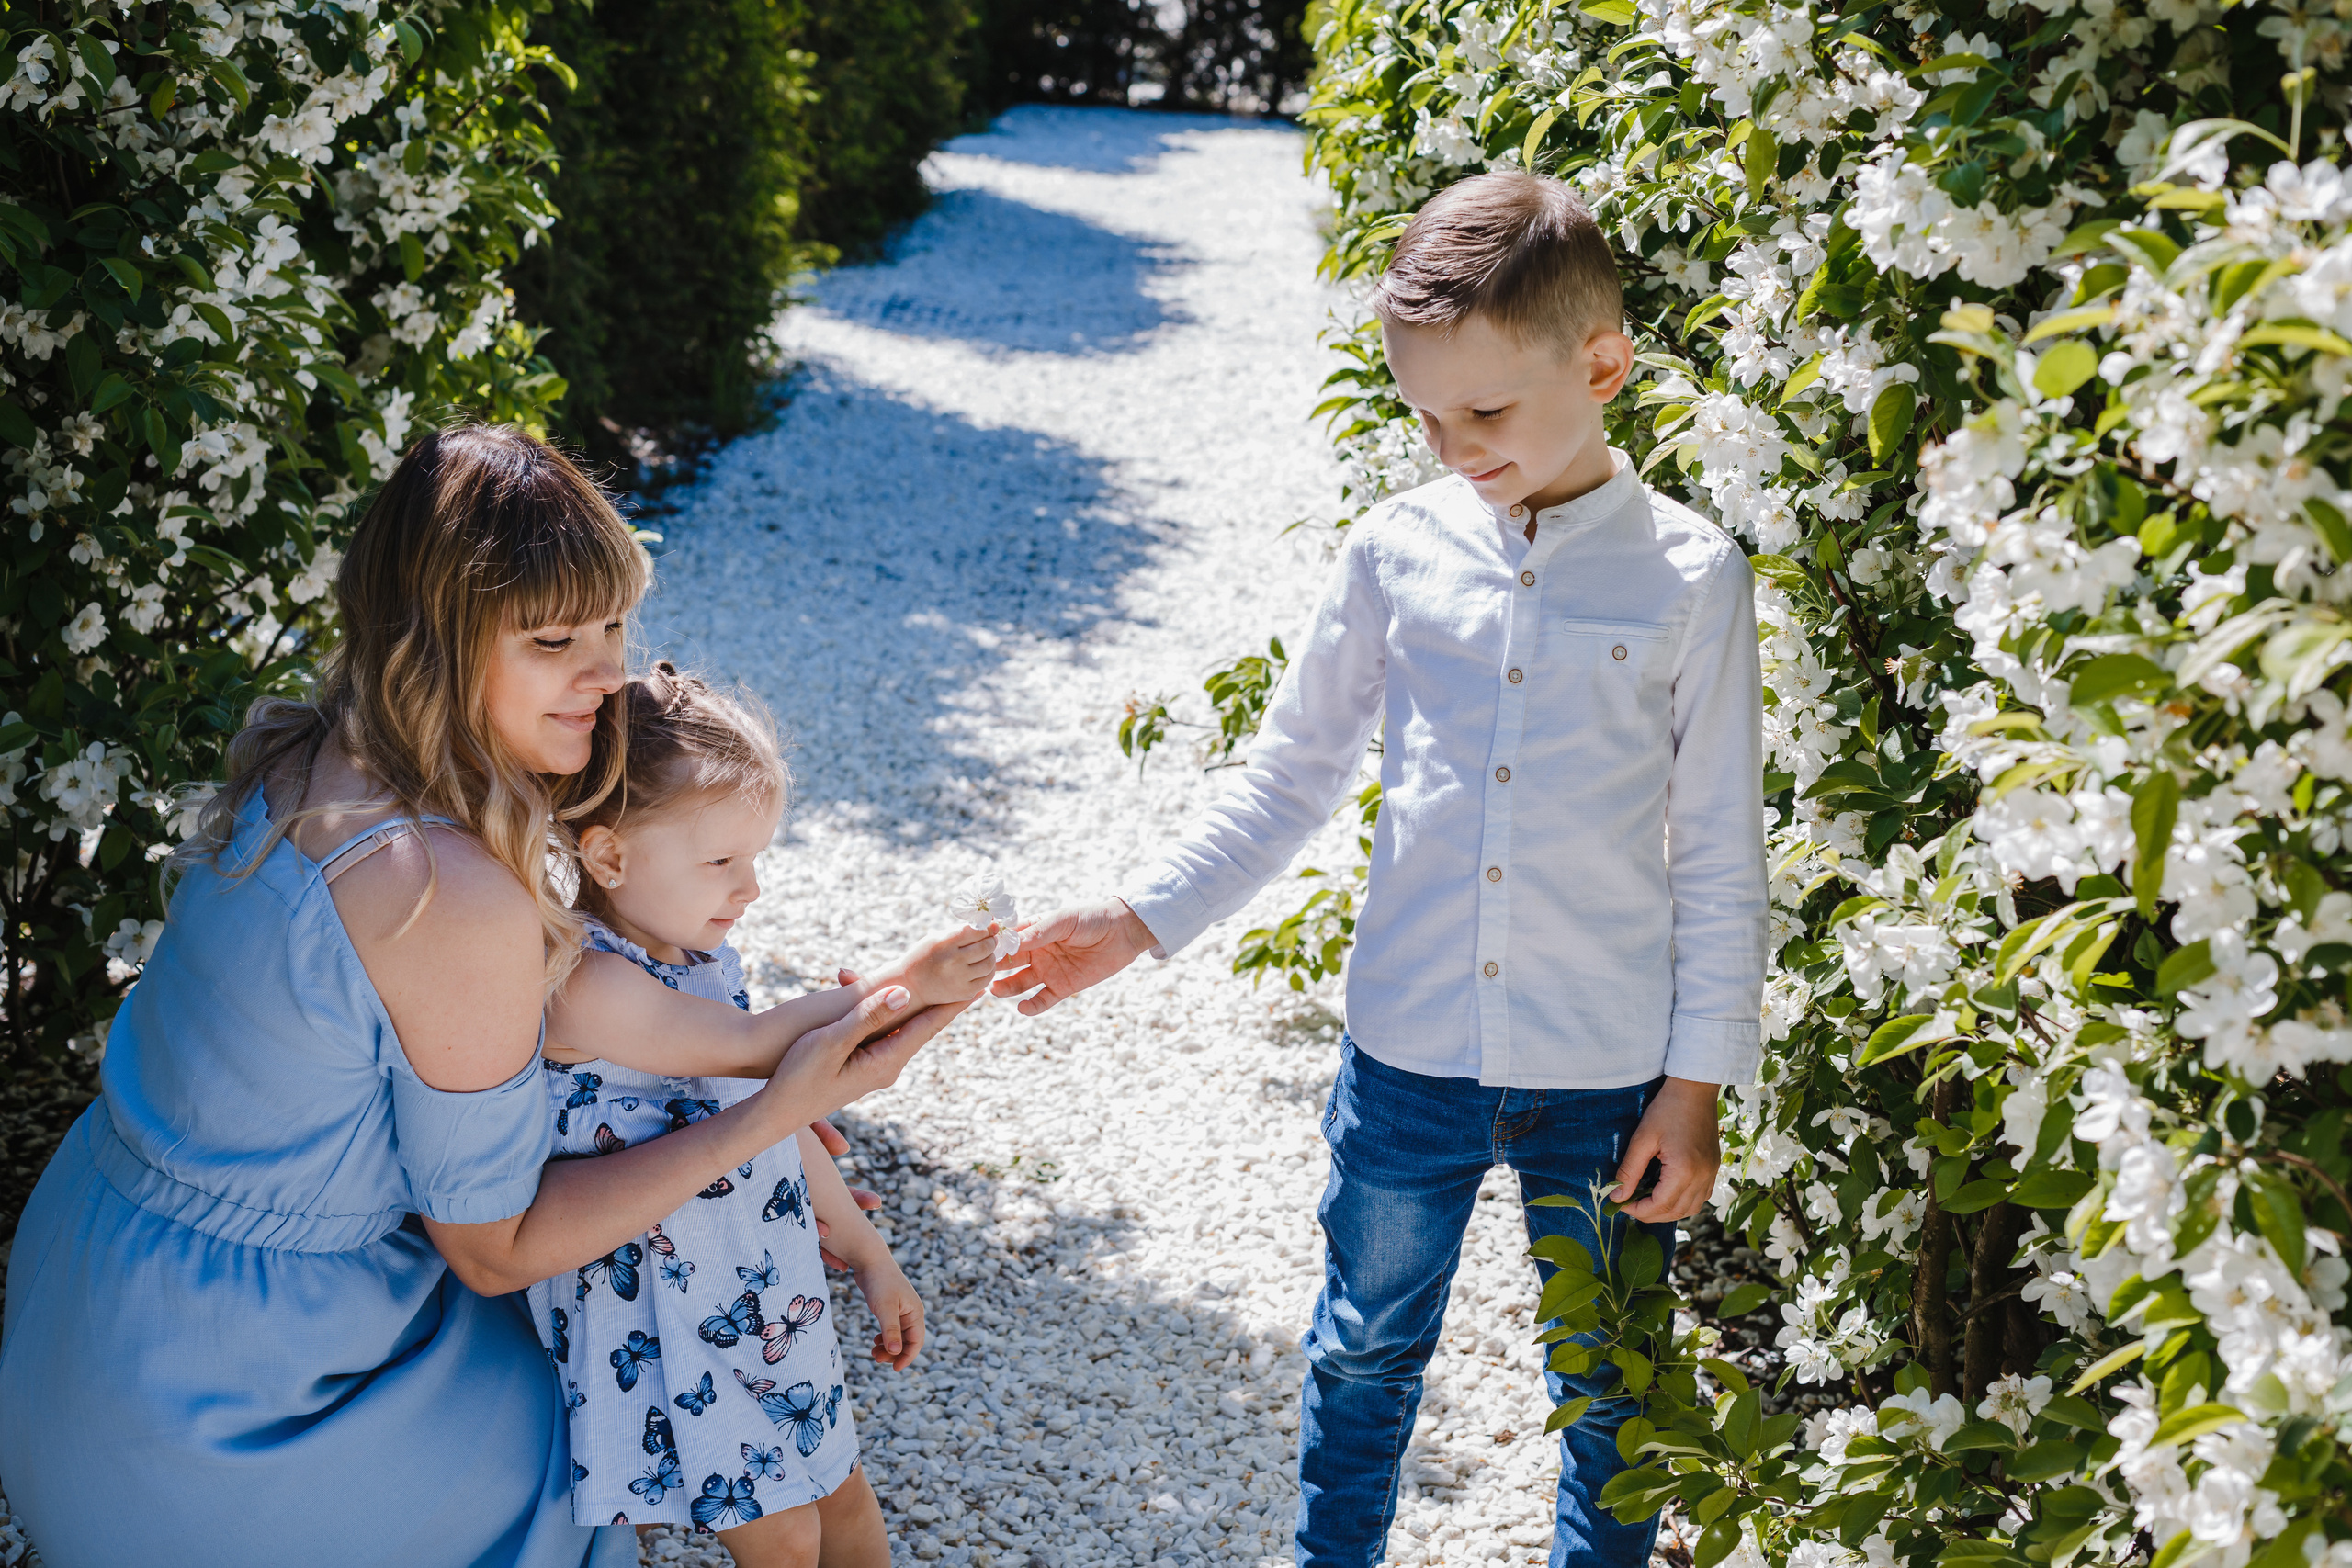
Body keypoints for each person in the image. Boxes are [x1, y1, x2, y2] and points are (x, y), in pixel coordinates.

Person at [0, 426, 965, 1568]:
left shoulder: (300, 748)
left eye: (613, 625)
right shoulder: (443, 889)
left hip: (91, 1298)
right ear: (436, 642)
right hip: (230, 1410)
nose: (606, 673)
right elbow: (496, 1251)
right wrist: (764, 1113)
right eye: (554, 639)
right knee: (628, 1427)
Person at [991, 171, 1767, 1568]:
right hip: (1408, 1056)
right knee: (1362, 1355)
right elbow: (1290, 775)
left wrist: (1697, 1082)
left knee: (1611, 1388)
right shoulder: (1393, 552)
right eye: (1425, 412)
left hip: (1608, 1074)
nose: (1454, 443)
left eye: (1486, 411)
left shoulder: (1692, 579)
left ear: (1602, 364)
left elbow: (1720, 854)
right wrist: (1137, 917)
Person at [531, 663, 988, 1562]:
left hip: (759, 1286)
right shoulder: (586, 984)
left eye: (755, 858)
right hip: (670, 1321)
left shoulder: (705, 961)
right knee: (780, 1539)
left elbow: (777, 1112)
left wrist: (864, 1250)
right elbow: (767, 1050)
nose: (750, 889)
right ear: (609, 854)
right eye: (720, 861)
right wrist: (908, 984)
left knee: (843, 1498)